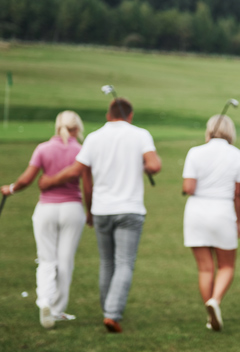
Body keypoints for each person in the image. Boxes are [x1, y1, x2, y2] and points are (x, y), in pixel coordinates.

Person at [39, 98, 161, 334]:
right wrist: (145, 166)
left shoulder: (94, 137)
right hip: (130, 208)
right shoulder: (140, 134)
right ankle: (112, 314)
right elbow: (154, 165)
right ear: (130, 115)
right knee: (124, 262)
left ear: (108, 115)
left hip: (102, 208)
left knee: (107, 262)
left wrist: (49, 182)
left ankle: (108, 309)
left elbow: (77, 171)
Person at [0, 111, 90, 330]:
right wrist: (92, 211)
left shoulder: (43, 148)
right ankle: (57, 310)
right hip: (72, 209)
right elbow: (88, 185)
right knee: (65, 261)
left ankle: (44, 301)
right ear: (77, 128)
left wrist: (10, 189)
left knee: (46, 259)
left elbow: (26, 179)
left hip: (46, 209)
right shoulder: (81, 151)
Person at [182, 114, 240, 332]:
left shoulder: (195, 152)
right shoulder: (236, 155)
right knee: (226, 265)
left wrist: (185, 189)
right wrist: (239, 221)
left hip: (196, 212)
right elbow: (238, 193)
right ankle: (215, 301)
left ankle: (210, 314)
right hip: (223, 211)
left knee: (205, 269)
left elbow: (189, 187)